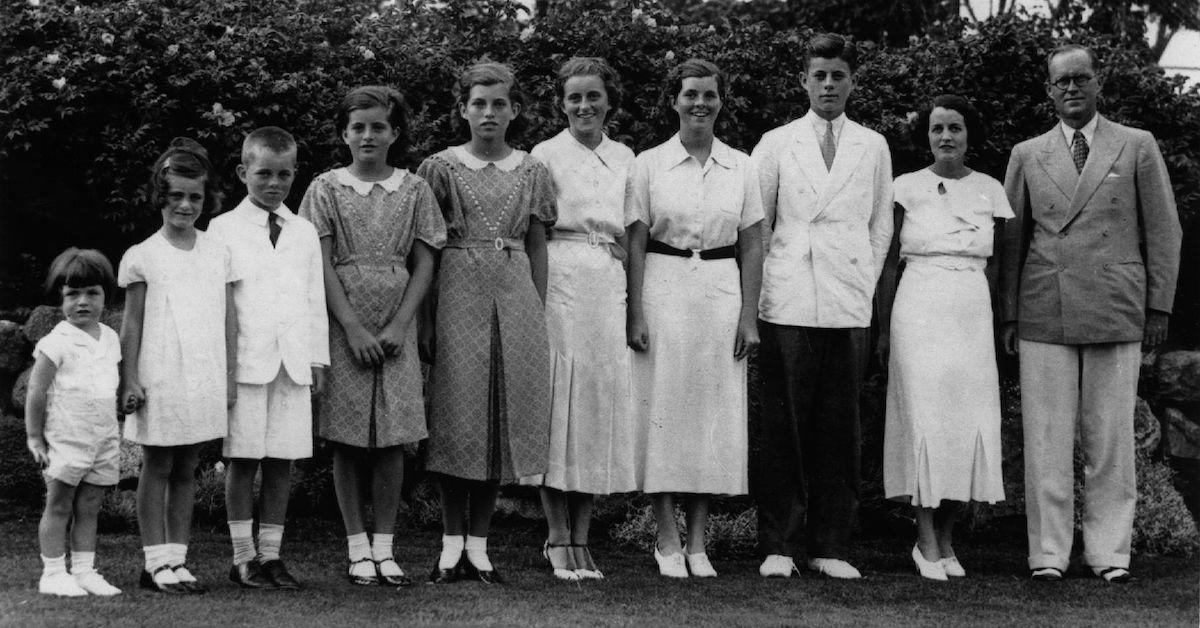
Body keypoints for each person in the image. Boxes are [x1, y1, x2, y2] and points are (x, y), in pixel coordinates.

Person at [1000, 44, 1181, 583]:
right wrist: (1009, 314)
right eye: (1062, 82)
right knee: (1047, 438)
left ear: (1098, 84)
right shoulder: (1026, 153)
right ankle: (1049, 554)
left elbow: (1164, 230)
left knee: (1110, 440)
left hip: (1115, 305)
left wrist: (1159, 304)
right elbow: (1011, 240)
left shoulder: (1137, 145)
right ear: (1049, 92)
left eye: (1081, 79)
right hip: (1044, 308)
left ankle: (1109, 553)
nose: (1072, 89)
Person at [751, 32, 893, 580]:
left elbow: (881, 226)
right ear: (804, 81)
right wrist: (761, 295)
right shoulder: (777, 141)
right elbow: (759, 225)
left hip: (847, 301)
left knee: (840, 428)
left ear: (852, 81)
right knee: (783, 426)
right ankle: (780, 546)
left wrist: (863, 283)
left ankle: (830, 546)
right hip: (787, 299)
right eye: (819, 75)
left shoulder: (872, 145)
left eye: (838, 75)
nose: (828, 85)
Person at [299, 86, 445, 587]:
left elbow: (426, 258)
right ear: (344, 132)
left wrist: (403, 322)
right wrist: (353, 327)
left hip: (396, 324)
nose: (367, 135)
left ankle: (385, 548)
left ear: (394, 133)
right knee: (347, 441)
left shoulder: (414, 189)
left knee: (392, 441)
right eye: (358, 126)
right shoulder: (324, 189)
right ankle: (357, 547)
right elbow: (316, 261)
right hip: (345, 322)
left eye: (378, 126)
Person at [417, 61, 556, 585]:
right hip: (457, 292)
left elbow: (539, 245)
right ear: (463, 110)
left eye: (499, 103)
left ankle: (480, 545)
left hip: (514, 293)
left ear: (514, 110)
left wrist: (535, 311)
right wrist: (426, 320)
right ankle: (451, 545)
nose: (489, 113)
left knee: (500, 418)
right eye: (479, 103)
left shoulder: (532, 170)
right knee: (458, 415)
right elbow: (427, 248)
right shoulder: (441, 168)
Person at [626, 58, 764, 579]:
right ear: (674, 101)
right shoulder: (648, 163)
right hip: (663, 287)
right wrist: (634, 310)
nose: (699, 103)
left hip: (720, 292)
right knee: (662, 410)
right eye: (690, 95)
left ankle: (699, 543)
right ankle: (666, 538)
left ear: (721, 101)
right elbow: (635, 238)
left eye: (708, 94)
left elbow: (753, 242)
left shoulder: (742, 166)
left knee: (711, 415)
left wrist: (748, 317)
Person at [879, 95, 1009, 581]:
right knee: (926, 421)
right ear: (926, 135)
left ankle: (947, 538)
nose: (946, 137)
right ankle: (925, 540)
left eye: (955, 127)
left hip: (971, 310)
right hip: (919, 307)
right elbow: (889, 260)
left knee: (967, 423)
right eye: (937, 129)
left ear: (969, 133)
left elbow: (996, 267)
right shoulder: (905, 187)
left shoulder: (990, 189)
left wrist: (995, 324)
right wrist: (884, 327)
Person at [526, 56, 638, 581]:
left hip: (605, 283)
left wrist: (626, 281)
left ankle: (582, 538)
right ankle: (555, 537)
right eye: (574, 97)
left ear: (609, 101)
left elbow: (633, 231)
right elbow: (535, 232)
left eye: (593, 96)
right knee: (558, 404)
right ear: (561, 103)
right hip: (559, 278)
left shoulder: (626, 157)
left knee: (593, 406)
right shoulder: (544, 155)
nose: (584, 106)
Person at [208, 127, 329, 590]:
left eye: (283, 174)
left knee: (283, 460)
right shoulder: (222, 230)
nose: (274, 183)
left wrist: (317, 360)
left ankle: (272, 556)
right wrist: (224, 369)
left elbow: (313, 298)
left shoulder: (302, 231)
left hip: (293, 364)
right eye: (263, 174)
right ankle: (243, 558)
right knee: (244, 459)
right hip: (246, 365)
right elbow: (222, 305)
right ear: (243, 173)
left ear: (295, 174)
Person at [119, 137, 239, 594]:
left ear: (205, 200)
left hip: (203, 372)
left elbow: (229, 321)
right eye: (176, 196)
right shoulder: (143, 255)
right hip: (161, 372)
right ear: (159, 198)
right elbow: (132, 326)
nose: (186, 205)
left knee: (187, 466)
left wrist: (227, 378)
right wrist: (129, 377)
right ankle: (154, 562)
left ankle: (177, 559)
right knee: (158, 464)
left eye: (194, 197)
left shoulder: (217, 252)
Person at [25, 248, 123, 597]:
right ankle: (52, 573)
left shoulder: (111, 338)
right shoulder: (56, 342)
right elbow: (36, 391)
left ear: (105, 297)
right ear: (60, 298)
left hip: (103, 438)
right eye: (72, 294)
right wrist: (35, 438)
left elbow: (113, 380)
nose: (83, 302)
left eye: (92, 293)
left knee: (89, 506)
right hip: (66, 438)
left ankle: (84, 570)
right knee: (60, 504)